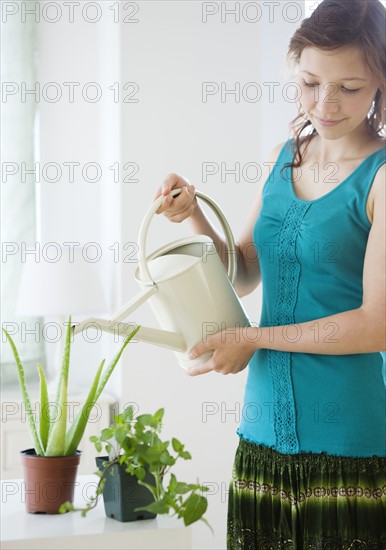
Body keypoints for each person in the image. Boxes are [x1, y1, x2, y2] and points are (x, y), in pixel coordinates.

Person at [154, 0, 386, 547]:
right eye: (310, 82)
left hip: (345, 440)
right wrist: (193, 215)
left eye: (349, 88)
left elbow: (376, 324)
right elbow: (245, 272)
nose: (325, 103)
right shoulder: (286, 156)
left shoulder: (380, 178)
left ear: (380, 82)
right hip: (260, 432)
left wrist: (253, 339)